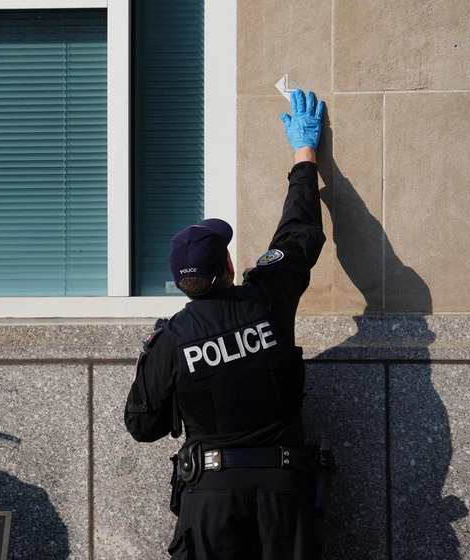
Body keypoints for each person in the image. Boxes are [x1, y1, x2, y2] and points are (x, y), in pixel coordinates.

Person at [125, 88, 326, 559]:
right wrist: (304, 153)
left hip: (211, 499)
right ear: (230, 268)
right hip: (284, 492)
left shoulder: (171, 341)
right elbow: (299, 233)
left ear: (180, 284)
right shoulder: (267, 297)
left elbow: (143, 425)